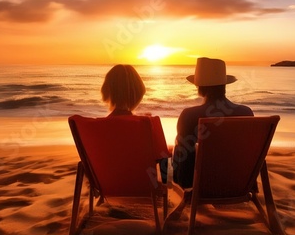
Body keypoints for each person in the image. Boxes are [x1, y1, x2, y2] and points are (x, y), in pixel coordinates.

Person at [172, 57, 253, 188]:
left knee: (181, 147)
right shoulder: (246, 113)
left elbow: (184, 156)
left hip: (201, 185)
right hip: (238, 183)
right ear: (224, 85)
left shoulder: (189, 115)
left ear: (199, 87)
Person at [101, 64, 169, 181]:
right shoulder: (149, 124)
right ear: (138, 94)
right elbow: (163, 161)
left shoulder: (97, 128)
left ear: (106, 91)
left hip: (109, 188)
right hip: (145, 190)